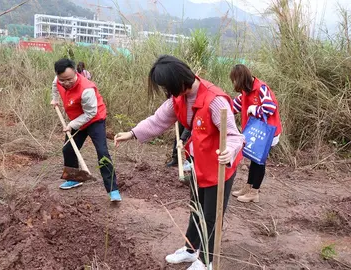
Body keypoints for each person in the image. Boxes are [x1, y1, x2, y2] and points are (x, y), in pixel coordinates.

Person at [114, 55, 244, 270]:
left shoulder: (215, 100)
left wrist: (229, 151)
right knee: (196, 208)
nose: (169, 93)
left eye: (170, 87)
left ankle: (206, 261)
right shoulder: (179, 98)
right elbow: (158, 120)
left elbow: (234, 136)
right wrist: (132, 133)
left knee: (212, 216)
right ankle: (191, 251)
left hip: (219, 166)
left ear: (182, 80)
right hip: (199, 163)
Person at [50, 58, 121, 202]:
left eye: (69, 80)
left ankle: (113, 190)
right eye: (62, 80)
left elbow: (91, 113)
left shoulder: (86, 89)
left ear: (75, 73)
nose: (66, 83)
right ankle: (74, 179)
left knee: (102, 153)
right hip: (78, 120)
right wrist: (55, 99)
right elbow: (54, 85)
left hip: (95, 120)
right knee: (68, 149)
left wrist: (71, 125)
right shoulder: (59, 80)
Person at [229, 64, 282, 203]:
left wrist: (255, 109)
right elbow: (233, 106)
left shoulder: (261, 88)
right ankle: (248, 187)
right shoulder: (245, 91)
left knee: (259, 162)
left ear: (241, 79)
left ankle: (254, 192)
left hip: (267, 133)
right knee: (254, 159)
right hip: (256, 132)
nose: (234, 83)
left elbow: (270, 108)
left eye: (235, 80)